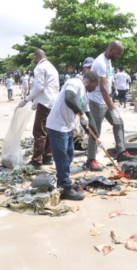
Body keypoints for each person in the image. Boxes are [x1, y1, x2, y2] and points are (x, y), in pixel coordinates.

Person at [46, 72, 99, 200]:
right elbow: (69, 98)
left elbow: (89, 116)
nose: (96, 88)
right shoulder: (75, 82)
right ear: (91, 80)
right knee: (62, 158)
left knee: (69, 156)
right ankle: (65, 188)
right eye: (96, 85)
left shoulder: (85, 97)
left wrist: (95, 135)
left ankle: (64, 182)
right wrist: (81, 114)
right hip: (56, 126)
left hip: (67, 127)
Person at [86, 41, 137, 168]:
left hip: (105, 99)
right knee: (95, 131)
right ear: (111, 50)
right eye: (118, 53)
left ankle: (121, 152)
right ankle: (90, 160)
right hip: (97, 101)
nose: (119, 56)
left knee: (118, 122)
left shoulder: (108, 60)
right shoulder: (100, 62)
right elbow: (103, 87)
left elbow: (108, 81)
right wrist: (113, 109)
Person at [18, 49, 60, 170]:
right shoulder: (51, 67)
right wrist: (33, 103)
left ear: (36, 57)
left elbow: (39, 87)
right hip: (53, 102)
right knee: (48, 129)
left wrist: (26, 99)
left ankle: (37, 160)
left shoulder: (39, 68)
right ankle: (48, 156)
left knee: (39, 131)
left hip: (45, 103)